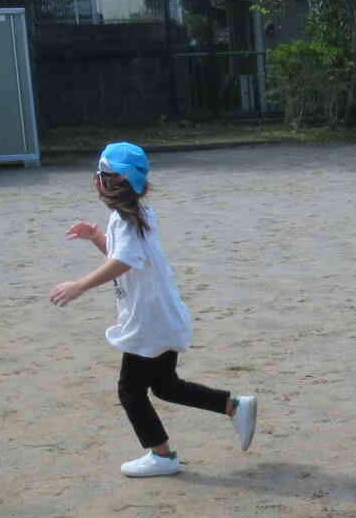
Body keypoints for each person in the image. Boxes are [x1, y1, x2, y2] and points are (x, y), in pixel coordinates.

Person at [49, 142, 256, 478]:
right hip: (159, 317)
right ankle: (233, 406)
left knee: (130, 390)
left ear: (106, 183)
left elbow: (124, 260)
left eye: (97, 175)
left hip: (150, 321)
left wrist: (79, 285)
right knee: (165, 386)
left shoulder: (128, 220)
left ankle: (162, 456)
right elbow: (126, 258)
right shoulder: (133, 216)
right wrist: (97, 237)